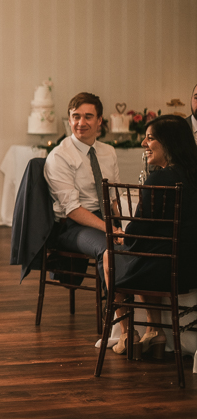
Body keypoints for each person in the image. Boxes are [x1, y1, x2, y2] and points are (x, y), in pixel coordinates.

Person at [98, 115, 197, 357]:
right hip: (191, 265)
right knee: (143, 252)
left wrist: (124, 236)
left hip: (168, 270)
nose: (143, 143)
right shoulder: (192, 175)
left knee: (110, 255)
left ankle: (127, 332)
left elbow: (138, 232)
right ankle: (155, 332)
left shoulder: (161, 178)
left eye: (150, 138)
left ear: (169, 142)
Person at [44, 93, 122, 285]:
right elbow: (71, 209)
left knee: (142, 242)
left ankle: (136, 306)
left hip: (106, 221)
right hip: (72, 226)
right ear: (69, 119)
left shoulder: (108, 152)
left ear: (99, 121)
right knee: (111, 249)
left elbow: (113, 198)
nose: (81, 122)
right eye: (75, 116)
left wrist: (127, 226)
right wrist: (111, 230)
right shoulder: (59, 156)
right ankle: (116, 311)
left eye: (88, 116)